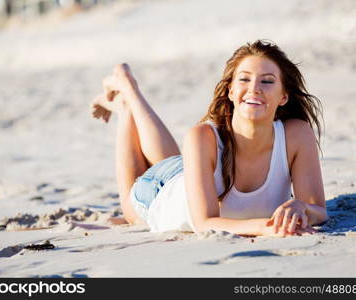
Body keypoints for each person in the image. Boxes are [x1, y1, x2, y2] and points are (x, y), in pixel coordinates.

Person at [91, 40, 328, 237]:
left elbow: (318, 210)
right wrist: (269, 228)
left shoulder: (296, 134)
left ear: (284, 96)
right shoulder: (202, 136)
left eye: (267, 81)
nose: (255, 88)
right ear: (231, 91)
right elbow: (204, 224)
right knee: (129, 207)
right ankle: (126, 100)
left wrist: (302, 206)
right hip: (158, 190)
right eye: (244, 79)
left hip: (190, 172)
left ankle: (127, 89)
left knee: (175, 161)